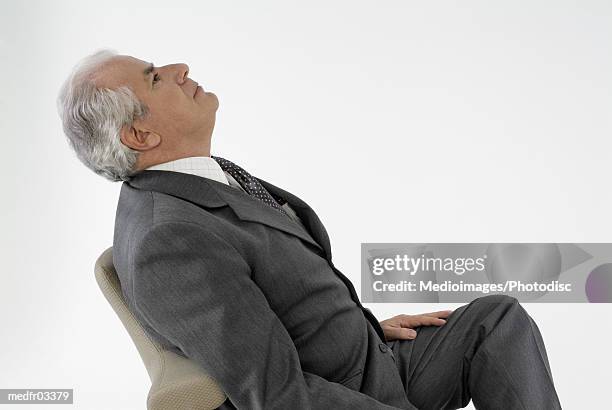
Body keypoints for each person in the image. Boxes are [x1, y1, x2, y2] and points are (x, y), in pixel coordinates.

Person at [56, 49, 563, 410]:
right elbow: (278, 397)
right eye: (155, 78)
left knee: (496, 321)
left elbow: (278, 289)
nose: (178, 68)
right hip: (344, 395)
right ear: (140, 133)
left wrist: (359, 327)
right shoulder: (169, 240)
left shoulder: (194, 183)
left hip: (366, 360)